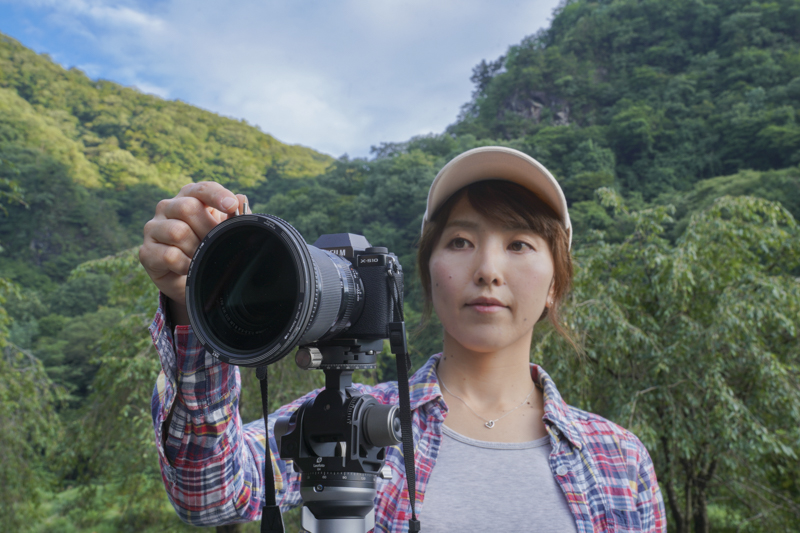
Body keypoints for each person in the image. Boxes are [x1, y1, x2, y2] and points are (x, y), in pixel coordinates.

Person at [140, 146, 666, 532]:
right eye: (460, 241)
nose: (487, 269)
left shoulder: (618, 460)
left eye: (519, 244)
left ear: (555, 284)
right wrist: (191, 305)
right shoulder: (344, 422)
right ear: (427, 272)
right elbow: (209, 492)